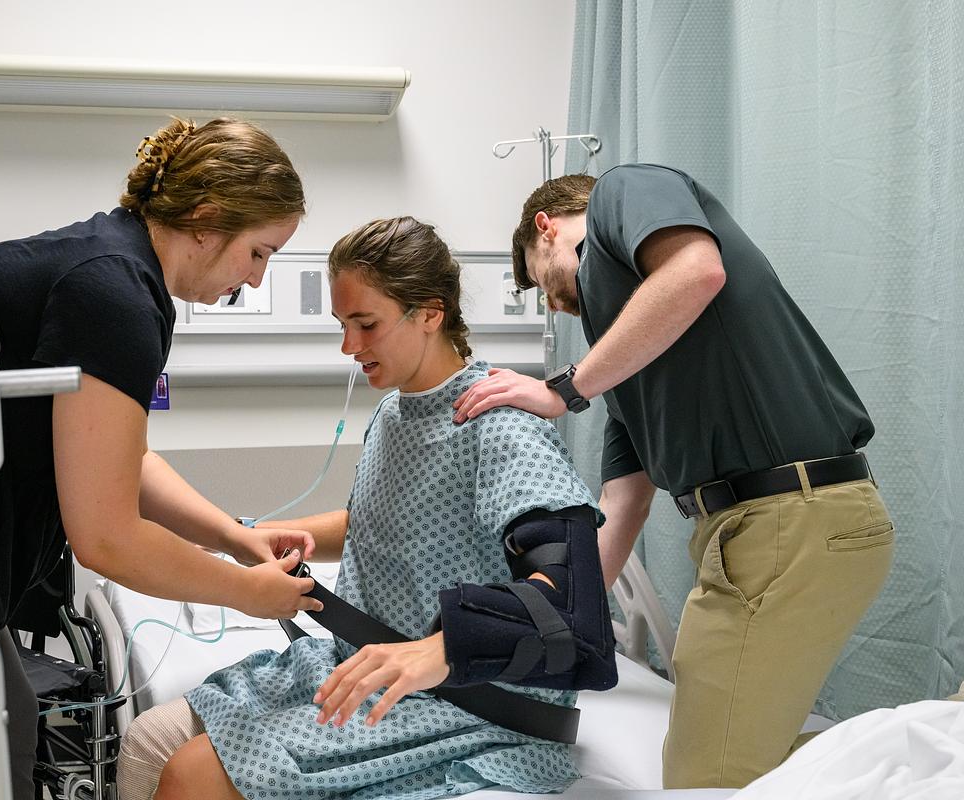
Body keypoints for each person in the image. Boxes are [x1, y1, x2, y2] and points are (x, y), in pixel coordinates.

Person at [0, 116, 319, 799]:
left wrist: (234, 538)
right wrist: (249, 591)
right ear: (208, 219)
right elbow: (106, 537)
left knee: (2, 732)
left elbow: (122, 460)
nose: (254, 279)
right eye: (260, 252)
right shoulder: (115, 292)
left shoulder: (117, 268)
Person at [116, 216, 616, 800]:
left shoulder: (500, 427)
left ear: (430, 313)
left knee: (191, 775)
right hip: (357, 658)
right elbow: (389, 522)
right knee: (151, 738)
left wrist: (445, 647)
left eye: (366, 324)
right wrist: (263, 535)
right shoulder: (395, 413)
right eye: (342, 324)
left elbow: (569, 595)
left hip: (470, 698)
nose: (349, 347)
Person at [453, 164, 895, 789]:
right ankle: (926, 746)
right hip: (771, 530)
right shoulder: (629, 357)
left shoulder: (622, 191)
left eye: (537, 280)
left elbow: (697, 271)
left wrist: (563, 390)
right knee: (732, 757)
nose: (552, 302)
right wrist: (556, 626)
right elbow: (622, 502)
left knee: (702, 779)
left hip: (790, 519)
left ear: (546, 229)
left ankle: (928, 750)